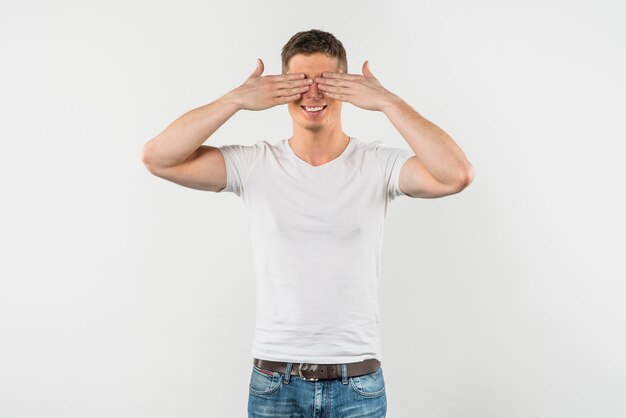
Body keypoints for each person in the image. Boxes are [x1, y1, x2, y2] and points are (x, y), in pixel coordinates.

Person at [141, 28, 473, 418]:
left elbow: (456, 174)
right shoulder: (256, 164)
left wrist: (389, 103)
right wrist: (234, 100)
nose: (312, 95)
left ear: (346, 87)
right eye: (299, 83)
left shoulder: (378, 164)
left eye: (326, 82)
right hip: (275, 382)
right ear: (281, 89)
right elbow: (158, 158)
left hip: (358, 384)